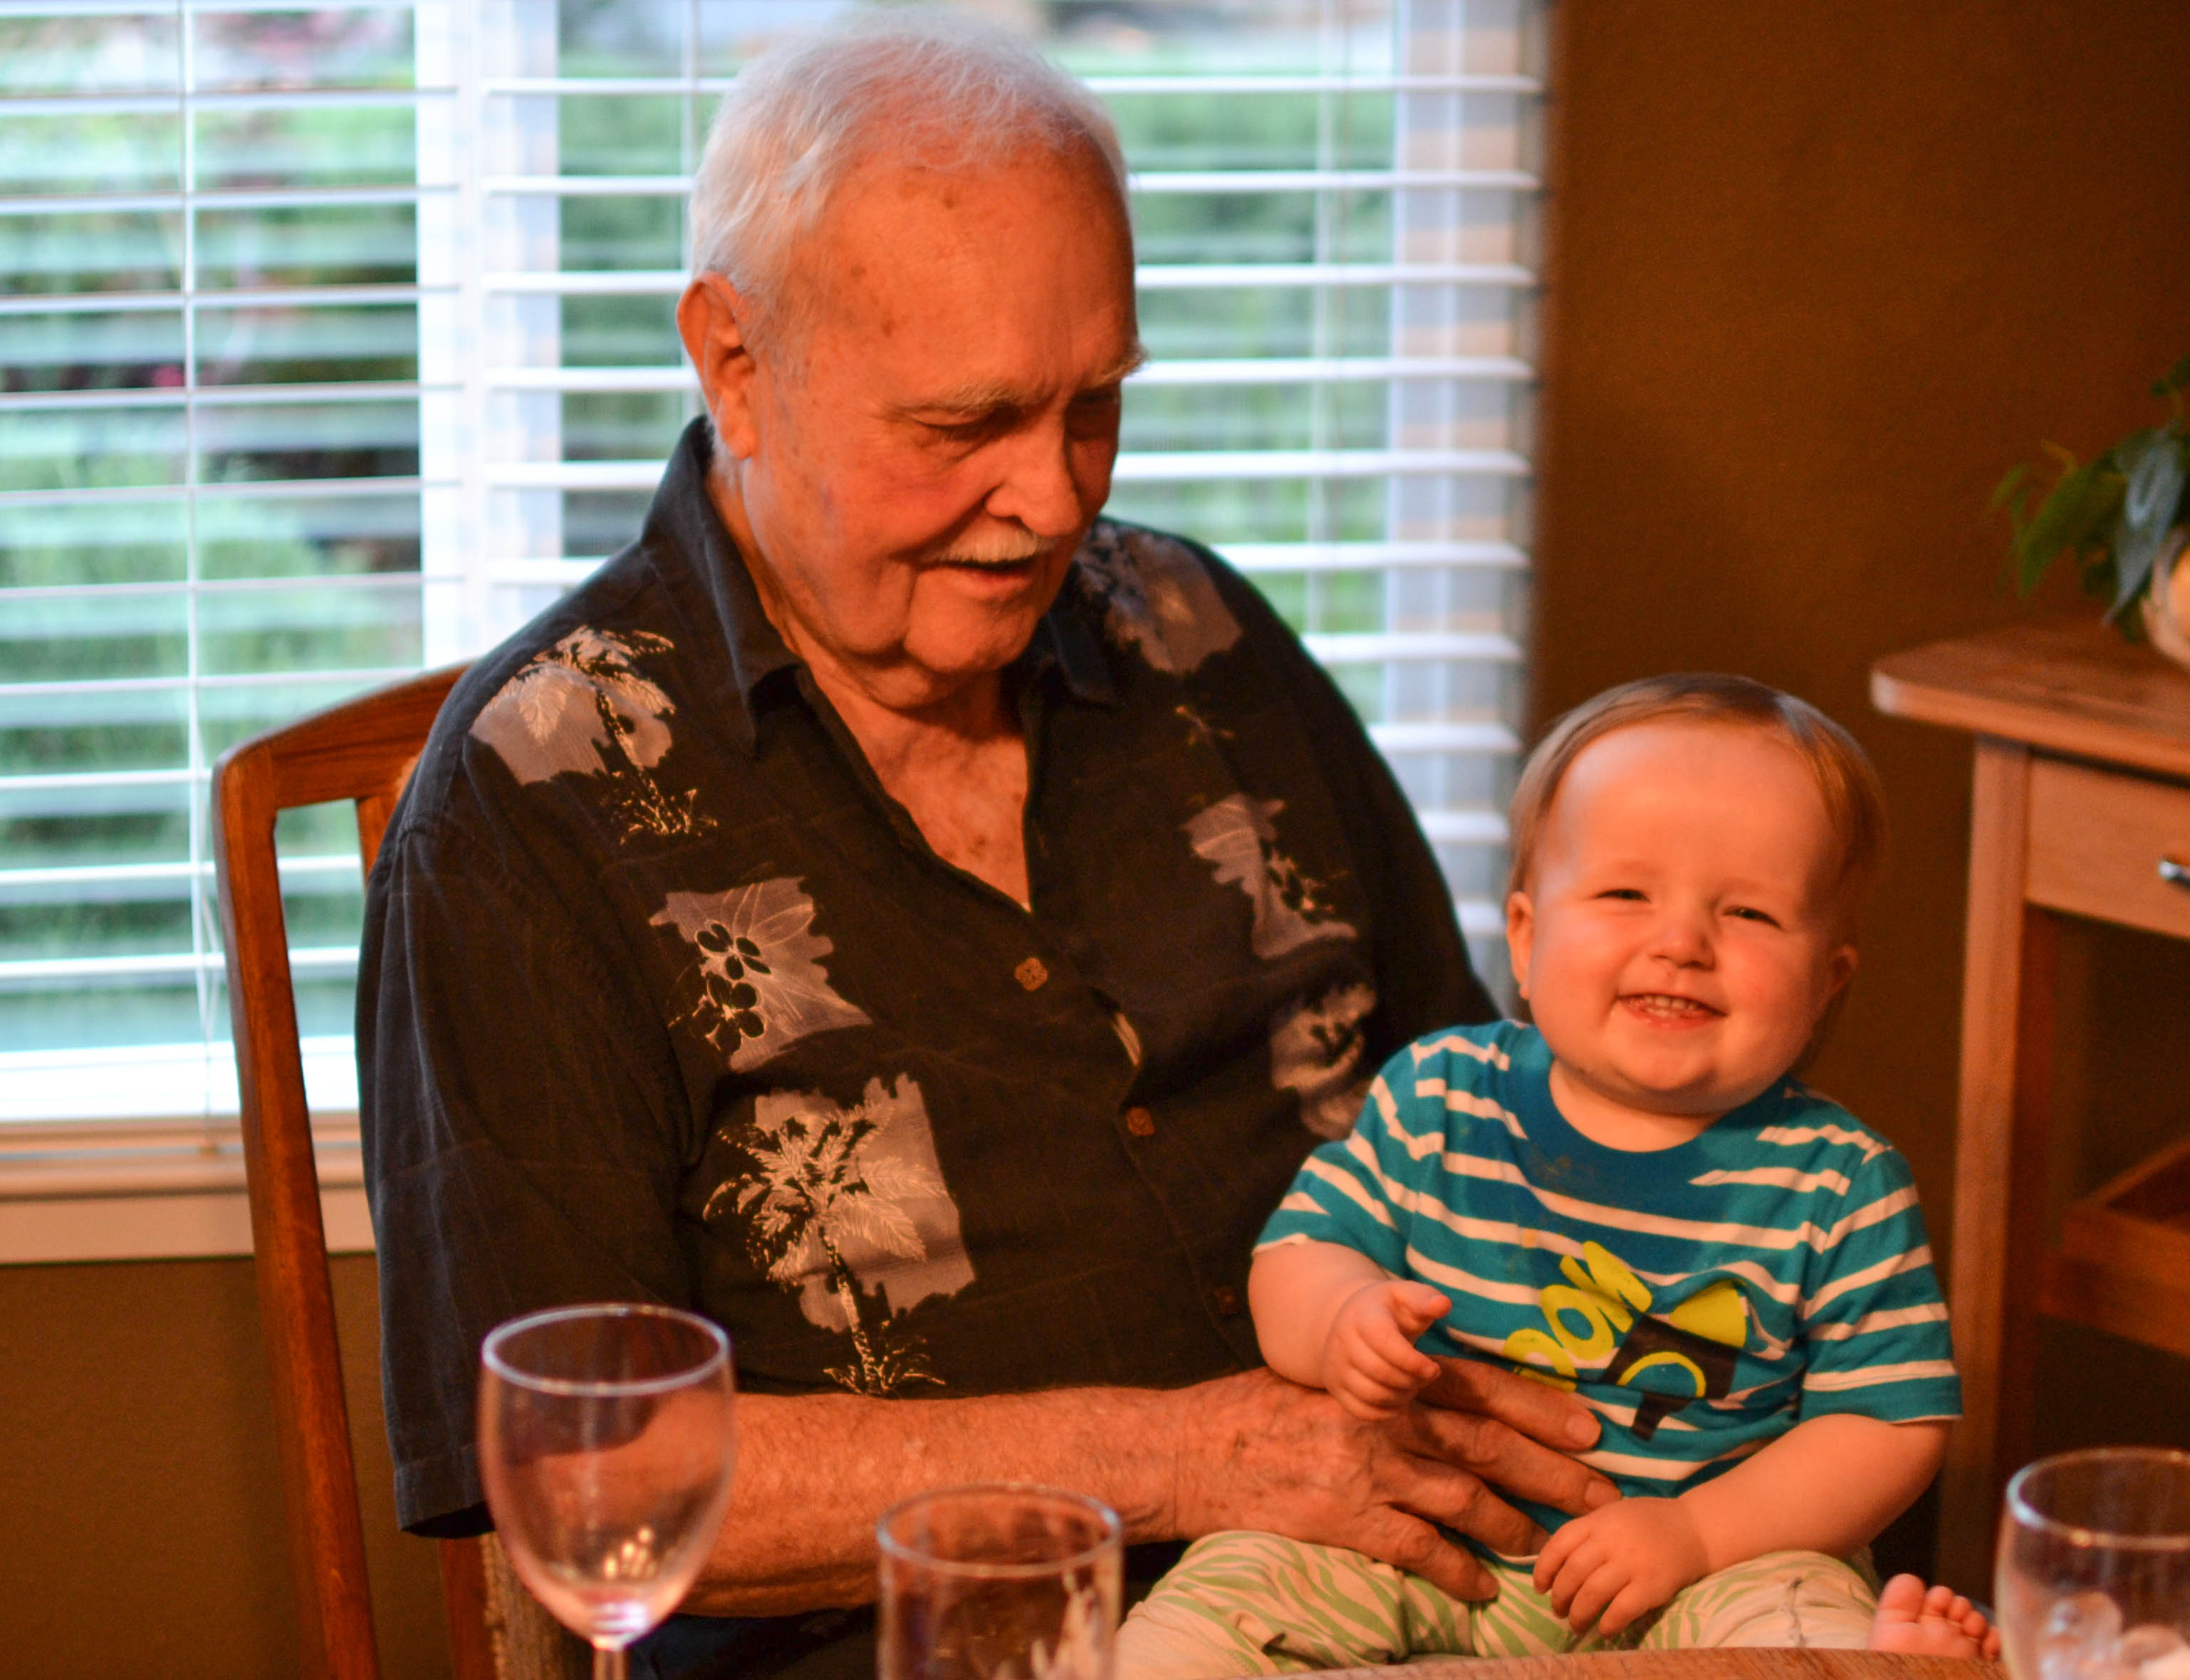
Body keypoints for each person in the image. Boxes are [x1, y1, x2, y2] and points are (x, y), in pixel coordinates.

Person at [358, 13, 1620, 1674]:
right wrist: (1193, 1455)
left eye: (1094, 404)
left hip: (1450, 1596)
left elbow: (1486, 1110)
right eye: (963, 426)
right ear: (733, 363)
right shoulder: (530, 805)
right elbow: (594, 1473)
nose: (1055, 498)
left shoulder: (1195, 633)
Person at [1112, 674, 2002, 1675]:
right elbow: (1299, 1254)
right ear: (1527, 939)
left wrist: (1698, 1534)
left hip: (1700, 1572)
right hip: (1419, 1533)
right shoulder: (1442, 1097)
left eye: (1750, 913)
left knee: (1796, 1614)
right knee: (1231, 1588)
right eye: (1626, 895)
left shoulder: (1839, 1183)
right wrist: (1340, 1321)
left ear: (1826, 982)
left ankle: (1887, 1665)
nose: (1682, 943)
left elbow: (1886, 1425)